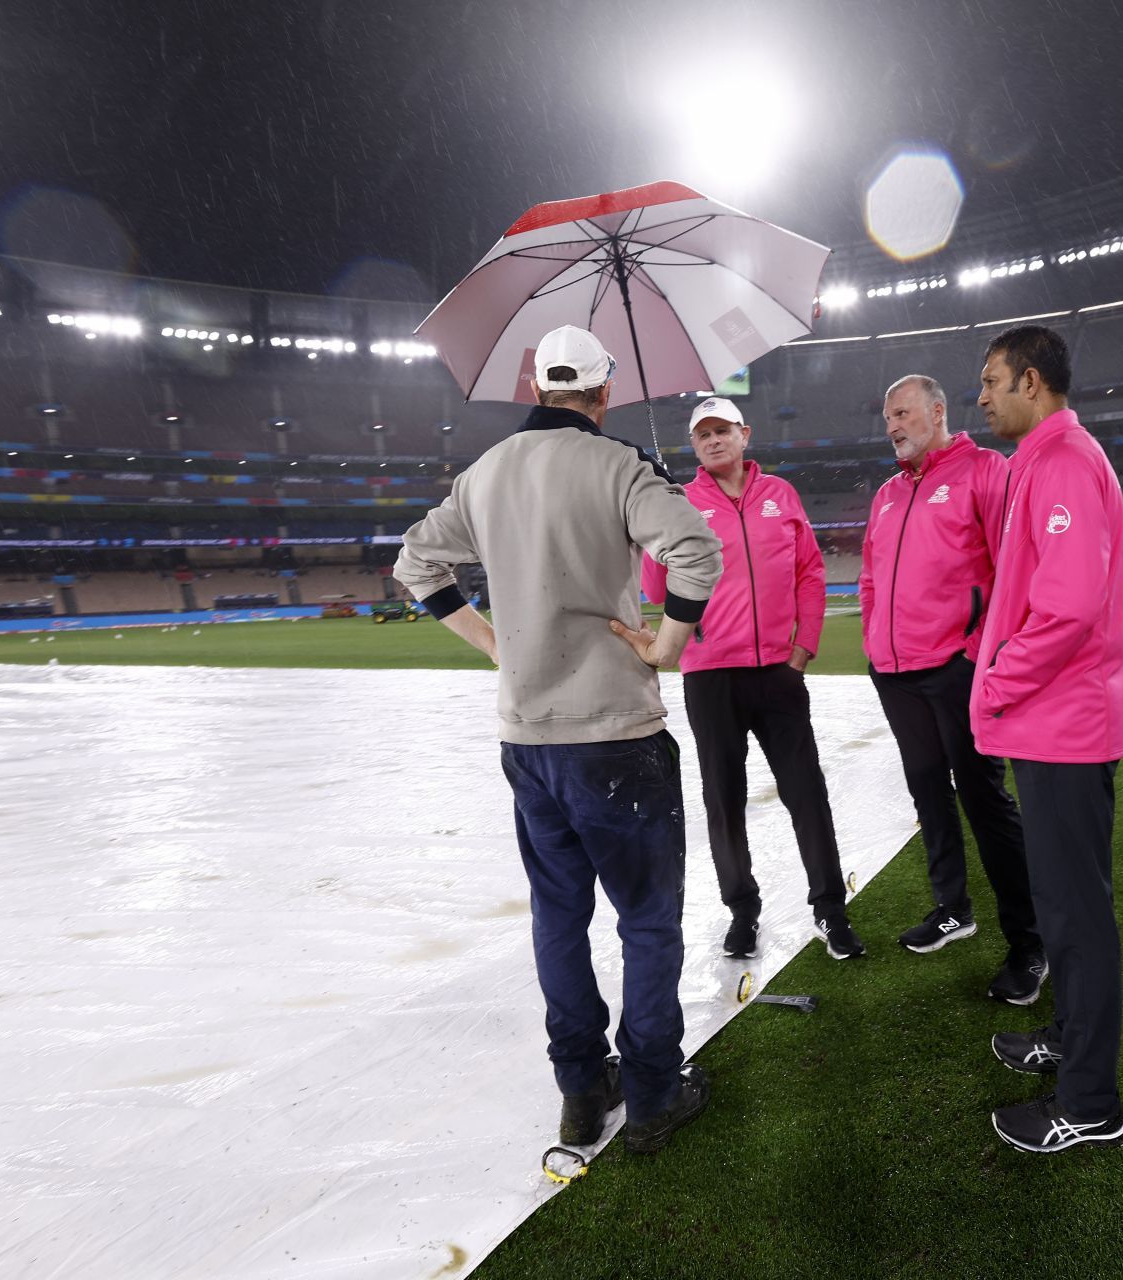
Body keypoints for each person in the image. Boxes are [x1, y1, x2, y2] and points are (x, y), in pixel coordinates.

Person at [395, 325, 722, 1156]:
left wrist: (492, 643)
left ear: (536, 386)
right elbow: (696, 550)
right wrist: (669, 646)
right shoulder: (617, 465)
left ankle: (581, 1089)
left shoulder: (485, 474)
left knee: (558, 917)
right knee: (647, 922)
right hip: (614, 729)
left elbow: (415, 565)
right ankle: (651, 1095)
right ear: (603, 392)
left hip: (529, 737)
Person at [971, 324, 1123, 1154]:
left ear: (1031, 382)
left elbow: (1066, 610)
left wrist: (996, 680)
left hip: (1063, 723)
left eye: (992, 382)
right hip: (1055, 721)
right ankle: (1071, 1045)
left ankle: (1091, 1101)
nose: (983, 397)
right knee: (1064, 907)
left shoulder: (1063, 463)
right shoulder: (1045, 461)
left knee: (1075, 916)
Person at [640, 397, 865, 962]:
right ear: (694, 447)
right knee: (724, 800)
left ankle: (830, 909)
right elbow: (655, 591)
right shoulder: (683, 502)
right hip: (712, 675)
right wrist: (656, 528)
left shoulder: (781, 497)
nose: (713, 441)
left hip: (778, 674)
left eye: (722, 431)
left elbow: (811, 571)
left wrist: (803, 644)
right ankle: (742, 911)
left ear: (744, 434)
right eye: (702, 435)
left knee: (806, 792)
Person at [860, 373, 1045, 1003]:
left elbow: (1014, 567)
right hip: (895, 673)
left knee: (984, 800)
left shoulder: (985, 471)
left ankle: (1030, 941)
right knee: (927, 794)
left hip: (957, 669)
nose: (893, 426)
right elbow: (870, 576)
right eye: (888, 417)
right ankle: (952, 909)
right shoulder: (886, 493)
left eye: (903, 412)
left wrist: (978, 654)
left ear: (937, 412)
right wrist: (872, 646)